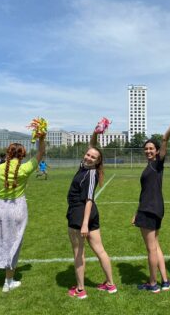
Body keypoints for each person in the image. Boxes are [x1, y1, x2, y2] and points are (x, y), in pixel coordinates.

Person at [0, 135, 46, 292]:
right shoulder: (24, 169)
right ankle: (8, 281)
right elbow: (41, 152)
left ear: (8, 153)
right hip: (17, 207)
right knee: (14, 243)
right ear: (22, 155)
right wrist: (41, 138)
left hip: (0, 207)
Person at [133, 111, 170, 293]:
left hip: (150, 209)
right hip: (151, 208)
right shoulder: (150, 166)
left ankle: (152, 284)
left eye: (151, 149)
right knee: (156, 246)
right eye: (146, 149)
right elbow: (145, 192)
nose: (148, 151)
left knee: (150, 249)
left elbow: (164, 139)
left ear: (156, 151)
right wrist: (136, 212)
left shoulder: (157, 163)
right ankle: (165, 281)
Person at [66, 123, 117, 299]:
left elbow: (89, 199)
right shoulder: (84, 166)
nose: (89, 157)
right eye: (88, 154)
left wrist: (84, 224)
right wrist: (96, 132)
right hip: (86, 213)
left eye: (93, 157)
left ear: (97, 161)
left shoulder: (91, 173)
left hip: (81, 214)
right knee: (99, 250)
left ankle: (80, 290)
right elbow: (92, 146)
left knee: (79, 252)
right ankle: (110, 284)